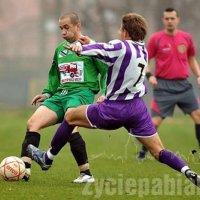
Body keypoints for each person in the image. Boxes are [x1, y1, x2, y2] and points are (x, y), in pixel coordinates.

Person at [28, 12, 200, 188]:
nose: (119, 31)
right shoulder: (142, 49)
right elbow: (108, 51)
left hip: (114, 109)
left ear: (125, 31)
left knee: (70, 116)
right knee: (159, 151)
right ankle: (187, 171)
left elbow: (104, 50)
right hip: (137, 109)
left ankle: (47, 158)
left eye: (120, 28)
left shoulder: (120, 45)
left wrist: (80, 47)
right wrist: (93, 44)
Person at [20, 12, 107, 183]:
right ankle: (23, 171)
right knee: (32, 123)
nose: (63, 32)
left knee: (71, 126)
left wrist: (105, 92)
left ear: (78, 26)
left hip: (82, 93)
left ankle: (86, 173)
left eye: (66, 28)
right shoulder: (60, 50)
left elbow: (105, 72)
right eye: (61, 28)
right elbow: (54, 75)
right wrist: (47, 93)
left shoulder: (90, 47)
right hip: (61, 94)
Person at [137, 7, 200, 159]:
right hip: (163, 87)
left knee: (198, 116)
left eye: (172, 18)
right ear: (163, 20)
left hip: (184, 86)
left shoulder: (186, 37)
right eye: (167, 18)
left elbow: (191, 58)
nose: (170, 21)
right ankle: (143, 152)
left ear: (178, 19)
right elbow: (146, 60)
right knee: (155, 122)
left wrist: (198, 75)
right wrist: (149, 75)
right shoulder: (156, 39)